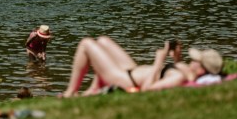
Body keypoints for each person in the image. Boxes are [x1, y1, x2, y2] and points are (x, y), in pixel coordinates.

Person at [61, 36, 222, 97]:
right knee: (103, 41)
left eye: (196, 61)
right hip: (133, 70)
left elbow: (146, 90)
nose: (192, 61)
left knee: (86, 44)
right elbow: (170, 72)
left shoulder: (178, 78)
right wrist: (176, 58)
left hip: (126, 79)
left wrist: (159, 61)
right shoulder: (187, 73)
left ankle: (70, 92)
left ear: (202, 69)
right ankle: (92, 90)